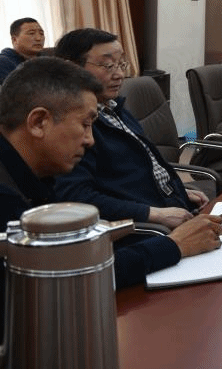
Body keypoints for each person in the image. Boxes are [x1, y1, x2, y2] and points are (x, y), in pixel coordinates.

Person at [0, 57, 222, 289]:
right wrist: (174, 245)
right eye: (85, 124)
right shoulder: (6, 197)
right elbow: (67, 281)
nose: (90, 140)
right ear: (38, 122)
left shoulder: (35, 179)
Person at [52, 28, 208, 228]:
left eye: (121, 64)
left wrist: (176, 190)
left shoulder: (114, 107)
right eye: (108, 65)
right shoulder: (70, 125)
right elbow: (76, 198)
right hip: (146, 228)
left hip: (170, 206)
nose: (119, 74)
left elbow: (139, 171)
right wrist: (152, 214)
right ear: (72, 68)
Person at [0, 17, 46, 83]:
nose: (38, 38)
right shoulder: (3, 63)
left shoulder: (48, 60)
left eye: (41, 34)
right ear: (14, 40)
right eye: (31, 33)